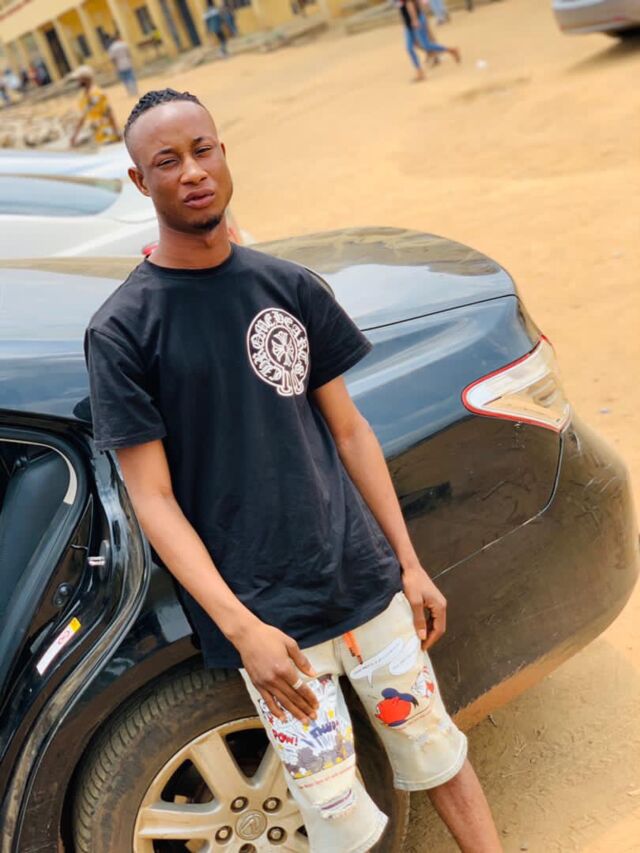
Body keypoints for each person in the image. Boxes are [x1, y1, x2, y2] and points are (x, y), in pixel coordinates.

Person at [84, 88, 502, 853]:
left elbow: (350, 431)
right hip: (271, 625)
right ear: (141, 182)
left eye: (202, 150)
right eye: (167, 161)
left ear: (223, 152)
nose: (192, 172)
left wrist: (408, 563)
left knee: (438, 752)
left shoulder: (289, 286)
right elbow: (153, 498)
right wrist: (242, 628)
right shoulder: (123, 330)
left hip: (365, 580)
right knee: (335, 813)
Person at [398, 0, 460, 82]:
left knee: (426, 45)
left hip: (416, 20)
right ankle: (419, 72)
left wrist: (415, 19)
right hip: (409, 24)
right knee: (409, 48)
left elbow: (410, 4)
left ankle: (451, 50)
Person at [68, 65, 121, 147]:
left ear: (85, 79)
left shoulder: (97, 94)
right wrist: (74, 135)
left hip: (107, 135)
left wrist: (117, 132)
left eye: (79, 79)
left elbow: (109, 113)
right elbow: (83, 117)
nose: (77, 81)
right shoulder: (84, 96)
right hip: (97, 136)